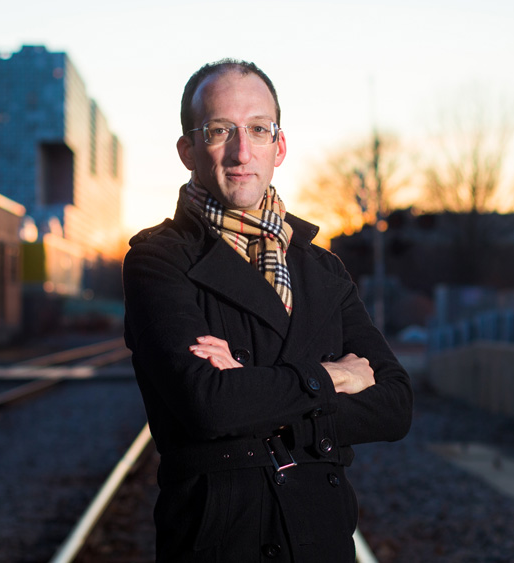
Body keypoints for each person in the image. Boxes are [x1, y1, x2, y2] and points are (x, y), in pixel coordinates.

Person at [123, 58, 413, 563]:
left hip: (322, 541)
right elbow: (208, 404)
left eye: (258, 130)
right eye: (219, 131)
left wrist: (254, 388)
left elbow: (395, 405)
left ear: (279, 146)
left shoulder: (322, 269)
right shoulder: (158, 259)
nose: (241, 151)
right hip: (221, 543)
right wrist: (331, 377)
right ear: (187, 150)